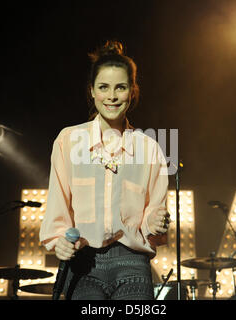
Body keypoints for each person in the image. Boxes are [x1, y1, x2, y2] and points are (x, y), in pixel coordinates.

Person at [39, 40, 170, 300]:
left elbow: (153, 217)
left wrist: (155, 222)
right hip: (84, 264)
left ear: (132, 92)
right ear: (92, 91)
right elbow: (58, 205)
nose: (111, 96)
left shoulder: (149, 148)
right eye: (103, 87)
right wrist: (60, 243)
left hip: (132, 264)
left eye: (120, 87)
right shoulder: (68, 140)